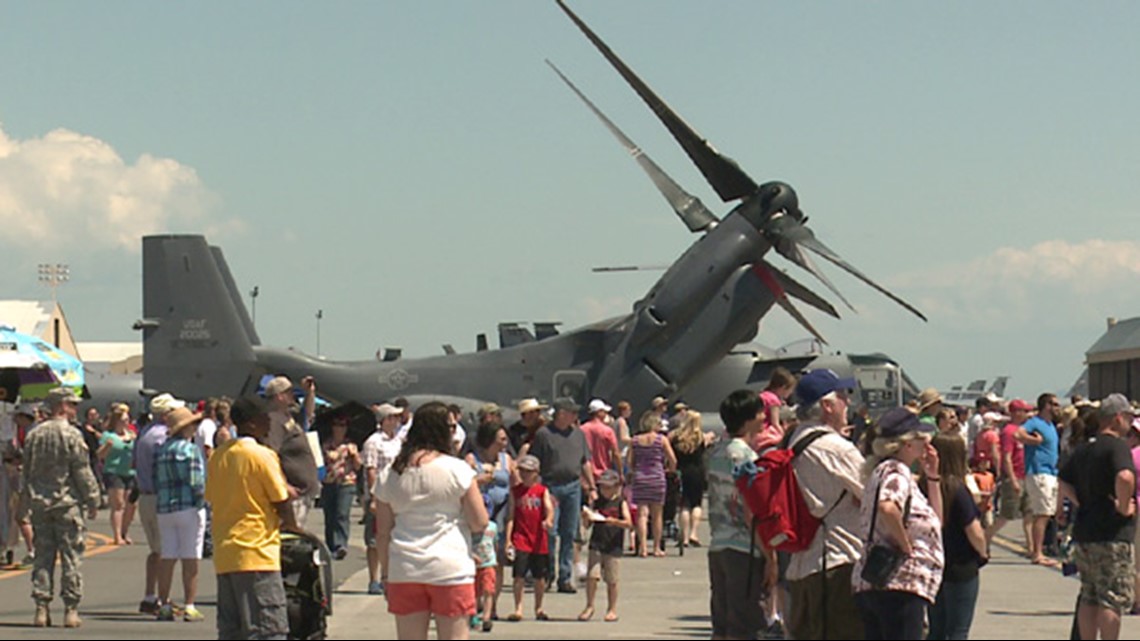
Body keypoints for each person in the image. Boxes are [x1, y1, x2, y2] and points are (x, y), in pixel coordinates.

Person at [374, 401, 489, 641]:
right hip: (450, 567)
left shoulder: (390, 474)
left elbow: (383, 532)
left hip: (404, 567)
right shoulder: (458, 470)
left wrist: (385, 574)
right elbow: (480, 521)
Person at [206, 396, 300, 640]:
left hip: (226, 553)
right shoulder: (261, 455)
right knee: (269, 628)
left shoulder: (218, 456)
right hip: (257, 553)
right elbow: (281, 500)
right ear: (252, 424)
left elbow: (214, 497)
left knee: (232, 630)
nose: (270, 425)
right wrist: (293, 527)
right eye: (266, 420)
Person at [784, 369, 867, 641]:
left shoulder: (795, 440)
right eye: (843, 396)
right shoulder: (836, 448)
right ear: (827, 406)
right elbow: (872, 495)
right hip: (838, 561)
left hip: (803, 564)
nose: (849, 403)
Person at [852, 407, 944, 640]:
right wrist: (906, 546)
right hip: (899, 584)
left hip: (876, 582)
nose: (926, 442)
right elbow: (888, 507)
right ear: (906, 444)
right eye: (920, 438)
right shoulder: (896, 473)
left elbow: (936, 520)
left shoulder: (882, 472)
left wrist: (932, 475)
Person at [1058, 393, 1137, 641]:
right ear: (1117, 418)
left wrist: (1080, 500)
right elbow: (1124, 476)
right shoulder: (1116, 446)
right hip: (1112, 533)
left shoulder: (1085, 448)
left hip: (1086, 531)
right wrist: (1124, 506)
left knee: (1089, 594)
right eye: (1128, 418)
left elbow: (1062, 479)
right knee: (1111, 599)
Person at [21, 388, 101, 628]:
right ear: (60, 407)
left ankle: (41, 608)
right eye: (72, 405)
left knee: (43, 557)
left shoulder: (34, 435)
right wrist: (93, 499)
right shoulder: (72, 435)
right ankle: (71, 609)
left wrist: (25, 502)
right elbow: (82, 471)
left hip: (40, 504)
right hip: (67, 504)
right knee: (71, 557)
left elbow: (27, 471)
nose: (75, 410)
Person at [706, 390, 773, 641]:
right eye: (759, 413)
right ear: (747, 420)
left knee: (722, 624)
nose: (763, 417)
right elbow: (750, 510)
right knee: (744, 624)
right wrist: (770, 556)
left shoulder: (716, 453)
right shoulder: (745, 457)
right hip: (744, 548)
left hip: (718, 545)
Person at [526, 397, 594, 592]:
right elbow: (534, 461)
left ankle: (565, 576)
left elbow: (585, 462)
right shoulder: (544, 434)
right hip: (550, 486)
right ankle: (548, 573)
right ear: (562, 413)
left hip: (573, 486)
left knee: (569, 532)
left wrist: (592, 486)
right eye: (572, 412)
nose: (575, 416)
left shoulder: (579, 435)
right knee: (550, 531)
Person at [927, 433, 988, 640]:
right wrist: (983, 552)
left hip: (934, 563)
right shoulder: (957, 489)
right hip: (960, 564)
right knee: (958, 629)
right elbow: (974, 530)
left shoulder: (924, 485)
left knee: (936, 628)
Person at [154, 406, 207, 622]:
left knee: (168, 556)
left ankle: (164, 604)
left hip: (165, 508)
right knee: (191, 556)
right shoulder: (190, 450)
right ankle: (189, 605)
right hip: (188, 507)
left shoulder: (162, 450)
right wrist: (203, 502)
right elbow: (196, 482)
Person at [133, 393, 184, 615]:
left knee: (156, 550)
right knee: (167, 551)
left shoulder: (144, 433)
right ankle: (162, 599)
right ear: (165, 415)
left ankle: (150, 595)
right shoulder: (164, 437)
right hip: (161, 497)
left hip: (145, 496)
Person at [264, 376, 321, 528]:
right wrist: (284, 485)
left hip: (302, 491)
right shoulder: (274, 420)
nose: (293, 396)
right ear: (279, 396)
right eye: (289, 392)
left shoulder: (288, 416)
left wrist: (309, 392)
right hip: (293, 492)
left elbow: (307, 414)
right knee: (290, 536)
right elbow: (270, 456)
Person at [578, 469, 632, 622]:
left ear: (616, 487)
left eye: (608, 487)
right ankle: (589, 606)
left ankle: (612, 608)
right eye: (602, 487)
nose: (604, 491)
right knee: (592, 576)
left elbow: (628, 523)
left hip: (613, 544)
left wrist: (614, 522)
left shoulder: (620, 502)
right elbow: (588, 525)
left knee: (612, 579)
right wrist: (587, 517)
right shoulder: (597, 502)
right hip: (597, 542)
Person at [505, 454, 554, 622]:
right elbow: (511, 516)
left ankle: (539, 607)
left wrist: (548, 520)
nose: (524, 474)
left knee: (539, 577)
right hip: (521, 537)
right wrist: (508, 540)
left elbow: (549, 509)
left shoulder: (541, 491)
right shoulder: (515, 492)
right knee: (519, 575)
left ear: (536, 473)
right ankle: (518, 608)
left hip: (539, 539)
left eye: (528, 471)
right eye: (522, 471)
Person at [362, 402, 404, 595]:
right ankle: (373, 578)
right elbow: (371, 470)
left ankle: (392, 575)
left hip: (397, 494)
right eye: (393, 417)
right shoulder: (373, 442)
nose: (397, 421)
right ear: (385, 420)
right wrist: (373, 496)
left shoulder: (399, 441)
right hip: (380, 493)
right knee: (374, 538)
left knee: (394, 536)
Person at [628, 410, 677, 558]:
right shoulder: (661, 439)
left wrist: (635, 469)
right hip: (657, 476)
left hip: (640, 477)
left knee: (642, 514)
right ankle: (656, 547)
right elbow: (672, 459)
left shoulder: (635, 440)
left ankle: (642, 547)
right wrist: (670, 470)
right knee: (657, 515)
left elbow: (629, 461)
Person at [1020, 393, 1061, 567]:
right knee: (1042, 514)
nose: (1058, 407)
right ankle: (1037, 552)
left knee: (1046, 513)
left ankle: (1038, 550)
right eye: (1055, 404)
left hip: (1050, 472)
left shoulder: (1050, 425)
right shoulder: (1035, 422)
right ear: (1047, 405)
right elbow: (1018, 433)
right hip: (1039, 472)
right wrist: (1033, 440)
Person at [988, 398, 1033, 546]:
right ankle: (984, 539)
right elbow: (1006, 457)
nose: (1026, 414)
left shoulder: (1023, 430)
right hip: (1015, 476)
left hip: (1026, 475)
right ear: (1016, 413)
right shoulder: (1009, 432)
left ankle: (1032, 547)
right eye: (1024, 411)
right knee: (1007, 514)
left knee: (1029, 514)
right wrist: (1012, 479)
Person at [668, 410, 713, 549]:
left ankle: (684, 536)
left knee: (684, 505)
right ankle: (694, 533)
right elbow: (709, 443)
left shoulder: (675, 437)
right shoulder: (700, 437)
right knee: (696, 504)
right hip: (697, 472)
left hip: (682, 471)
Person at [321, 415, 361, 560]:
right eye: (337, 425)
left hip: (346, 483)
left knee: (342, 514)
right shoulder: (327, 444)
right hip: (329, 482)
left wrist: (355, 455)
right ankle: (330, 544)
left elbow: (358, 466)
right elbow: (326, 459)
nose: (340, 428)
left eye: (343, 425)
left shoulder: (351, 445)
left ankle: (341, 545)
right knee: (329, 515)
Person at [96, 403, 137, 545]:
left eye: (128, 420)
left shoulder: (131, 434)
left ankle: (125, 531)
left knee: (131, 504)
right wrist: (108, 445)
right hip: (114, 472)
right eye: (123, 420)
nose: (126, 422)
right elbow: (100, 455)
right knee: (118, 504)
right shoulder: (109, 436)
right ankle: (117, 535)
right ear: (117, 421)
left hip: (130, 471)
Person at [752, 367, 797, 453]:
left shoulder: (763, 394)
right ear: (783, 387)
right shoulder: (773, 400)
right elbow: (775, 423)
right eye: (790, 390)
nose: (790, 393)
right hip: (766, 433)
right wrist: (784, 436)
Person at [581, 399, 623, 482]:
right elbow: (615, 453)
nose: (606, 414)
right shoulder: (607, 431)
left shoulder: (581, 430)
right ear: (599, 412)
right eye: (604, 412)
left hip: (585, 474)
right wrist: (620, 473)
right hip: (604, 473)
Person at [471, 518, 498, 633]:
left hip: (489, 563)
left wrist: (495, 558)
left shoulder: (493, 526)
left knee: (488, 590)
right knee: (474, 593)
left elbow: (495, 543)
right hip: (473, 564)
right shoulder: (470, 525)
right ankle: (474, 616)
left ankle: (486, 618)